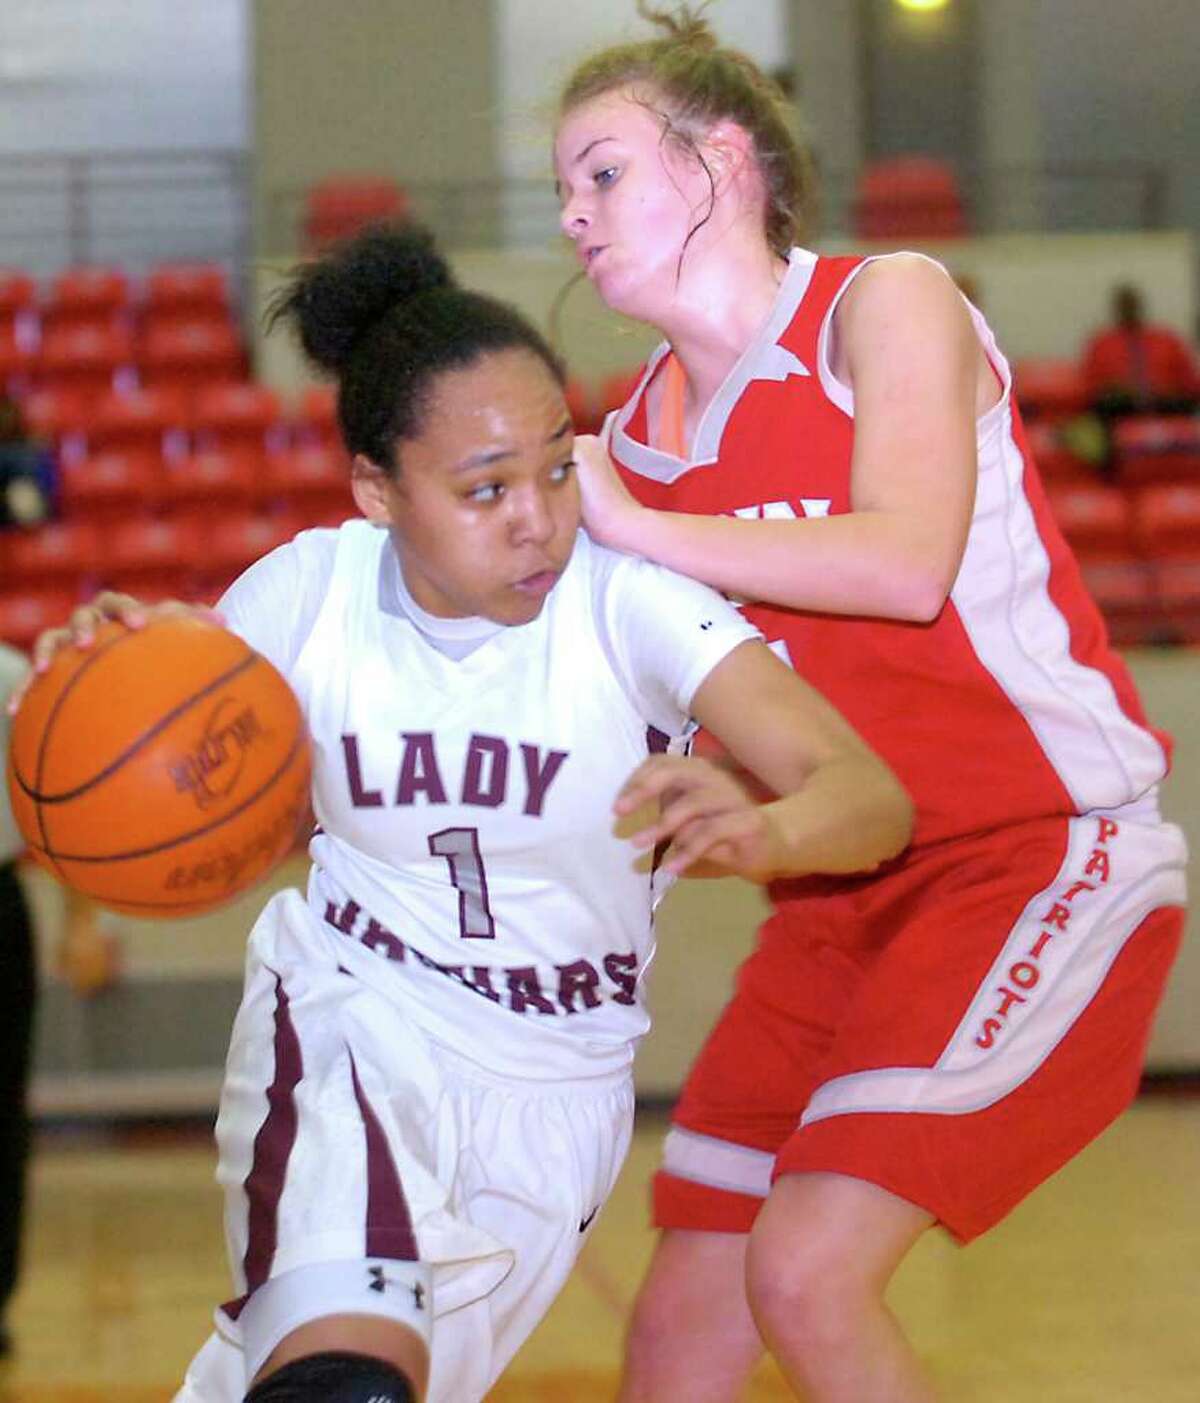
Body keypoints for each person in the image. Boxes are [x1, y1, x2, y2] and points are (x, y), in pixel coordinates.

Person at [16, 224, 912, 1403]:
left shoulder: (631, 605)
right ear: (377, 490)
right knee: (350, 1384)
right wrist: (106, 681)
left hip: (559, 1087)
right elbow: (185, 771)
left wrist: (769, 831)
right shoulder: (308, 593)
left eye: (555, 466)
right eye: (485, 488)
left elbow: (872, 798)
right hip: (354, 1025)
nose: (537, 516)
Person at [551, 7, 1188, 1401]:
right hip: (836, 895)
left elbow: (904, 562)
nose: (570, 216)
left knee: (808, 1271)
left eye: (598, 173)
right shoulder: (636, 447)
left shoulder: (879, 300)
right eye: (563, 190)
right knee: (679, 1328)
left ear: (722, 163)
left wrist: (635, 528)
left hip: (1038, 855)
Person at [1081, 282, 1200, 418]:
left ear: (1139, 305)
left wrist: (1167, 390)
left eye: (1132, 303)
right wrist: (1113, 388)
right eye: (1124, 304)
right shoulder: (1100, 344)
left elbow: (1190, 380)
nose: (1128, 308)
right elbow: (1089, 386)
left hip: (1165, 405)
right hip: (1120, 408)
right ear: (1116, 308)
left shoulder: (1167, 340)